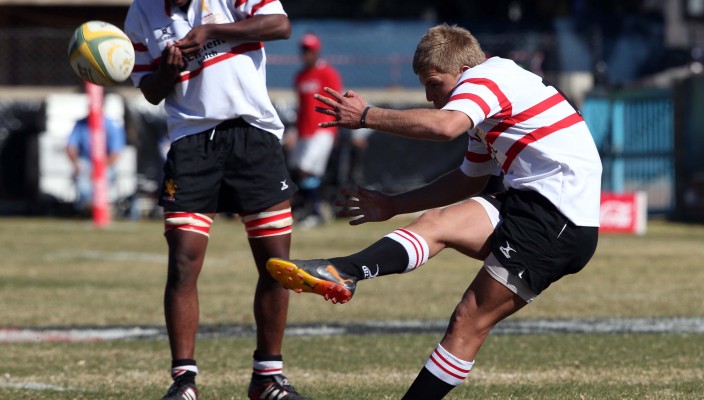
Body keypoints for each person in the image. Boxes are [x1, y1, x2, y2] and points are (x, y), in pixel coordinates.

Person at [266, 24, 602, 399]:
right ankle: (344, 271)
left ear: (461, 71)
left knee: (467, 322)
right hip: (530, 203)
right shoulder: (488, 98)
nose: (429, 96)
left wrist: (367, 116)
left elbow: (446, 128)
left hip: (558, 220)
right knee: (436, 223)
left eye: (433, 83)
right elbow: (469, 181)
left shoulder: (486, 78)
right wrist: (394, 205)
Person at [124, 1, 309, 400]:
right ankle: (183, 382)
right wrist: (168, 70)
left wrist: (212, 32)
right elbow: (151, 92)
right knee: (183, 260)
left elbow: (280, 25)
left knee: (277, 264)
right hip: (191, 143)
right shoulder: (141, 12)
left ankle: (267, 377)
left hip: (253, 132)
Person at [286, 33, 343, 228]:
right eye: (303, 49)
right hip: (304, 131)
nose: (305, 54)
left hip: (322, 130)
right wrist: (295, 131)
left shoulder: (328, 73)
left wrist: (334, 129)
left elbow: (337, 103)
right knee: (302, 170)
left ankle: (315, 211)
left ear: (317, 51)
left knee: (306, 169)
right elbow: (301, 107)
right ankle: (312, 209)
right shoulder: (300, 76)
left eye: (309, 50)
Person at [66, 115, 126, 214]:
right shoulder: (81, 124)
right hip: (85, 160)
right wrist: (76, 164)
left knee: (106, 176)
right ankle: (87, 205)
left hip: (106, 163)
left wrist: (99, 168)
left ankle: (101, 205)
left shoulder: (111, 125)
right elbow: (71, 146)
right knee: (83, 179)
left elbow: (115, 152)